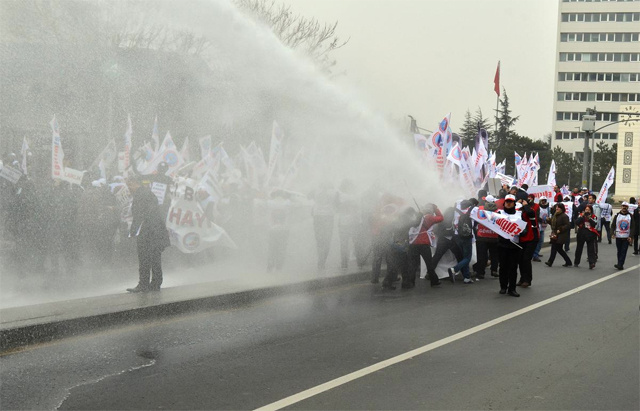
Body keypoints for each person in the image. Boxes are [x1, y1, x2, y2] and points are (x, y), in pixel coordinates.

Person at [127, 178, 170, 292]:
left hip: (149, 231)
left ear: (136, 183)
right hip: (152, 230)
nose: (128, 188)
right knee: (152, 258)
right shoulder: (145, 193)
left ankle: (145, 284)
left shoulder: (142, 194)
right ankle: (153, 283)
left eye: (130, 185)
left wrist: (137, 229)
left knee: (146, 257)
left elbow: (142, 214)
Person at [407, 203, 443, 287]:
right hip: (424, 244)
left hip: (413, 243)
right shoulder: (429, 218)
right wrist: (436, 208)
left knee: (413, 264)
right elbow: (441, 218)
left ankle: (411, 282)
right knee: (429, 264)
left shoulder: (415, 218)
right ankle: (434, 281)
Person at [497, 195, 521, 296]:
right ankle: (503, 287)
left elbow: (525, 227)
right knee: (503, 267)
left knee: (513, 268)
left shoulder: (519, 214)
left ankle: (512, 289)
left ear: (514, 203)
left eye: (511, 202)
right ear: (504, 203)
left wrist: (522, 232)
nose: (508, 203)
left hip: (514, 245)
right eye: (507, 201)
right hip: (502, 245)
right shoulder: (499, 213)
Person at [447, 199, 475, 284]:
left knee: (464, 257)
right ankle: (454, 269)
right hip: (467, 236)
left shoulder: (456, 211)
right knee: (467, 257)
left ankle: (466, 277)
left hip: (457, 236)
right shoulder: (471, 211)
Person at [310, 182, 336, 271]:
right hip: (328, 217)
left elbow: (308, 197)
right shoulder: (333, 193)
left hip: (318, 217)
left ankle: (321, 260)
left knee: (320, 240)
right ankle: (322, 260)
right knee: (326, 240)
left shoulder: (316, 191)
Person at [472, 198, 499, 279]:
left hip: (482, 237)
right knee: (494, 255)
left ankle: (481, 272)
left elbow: (474, 223)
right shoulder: (498, 212)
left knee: (481, 256)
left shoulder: (480, 212)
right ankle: (494, 270)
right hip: (494, 237)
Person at [516, 199, 538, 288]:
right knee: (520, 259)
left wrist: (525, 205)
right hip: (521, 238)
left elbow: (530, 213)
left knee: (526, 259)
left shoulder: (529, 211)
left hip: (531, 237)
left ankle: (527, 280)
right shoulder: (517, 211)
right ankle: (522, 278)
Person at [545, 203, 573, 268]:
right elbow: (553, 224)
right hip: (555, 234)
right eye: (556, 207)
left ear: (562, 209)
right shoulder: (555, 215)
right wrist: (549, 220)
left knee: (557, 248)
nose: (557, 208)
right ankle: (567, 262)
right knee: (556, 248)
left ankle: (551, 261)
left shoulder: (564, 216)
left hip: (561, 235)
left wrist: (560, 229)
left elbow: (568, 225)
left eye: (559, 207)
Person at [573, 205, 599, 269]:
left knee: (591, 249)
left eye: (589, 210)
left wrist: (589, 218)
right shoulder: (581, 215)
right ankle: (576, 262)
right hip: (581, 233)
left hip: (590, 234)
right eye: (586, 210)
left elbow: (595, 224)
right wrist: (582, 216)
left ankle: (591, 263)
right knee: (579, 248)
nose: (587, 211)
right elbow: (576, 222)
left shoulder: (593, 216)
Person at [612, 202, 635, 270]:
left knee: (623, 251)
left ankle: (620, 264)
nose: (624, 207)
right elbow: (613, 225)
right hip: (618, 236)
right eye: (623, 206)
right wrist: (612, 234)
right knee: (619, 251)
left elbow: (632, 227)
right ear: (621, 207)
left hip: (626, 237)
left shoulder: (630, 216)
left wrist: (631, 236)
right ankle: (619, 263)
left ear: (627, 207)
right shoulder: (617, 215)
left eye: (625, 206)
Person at [532, 197, 550, 262]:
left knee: (541, 241)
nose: (543, 202)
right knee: (538, 241)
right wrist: (542, 220)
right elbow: (536, 216)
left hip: (543, 226)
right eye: (542, 201)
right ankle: (535, 255)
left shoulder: (547, 208)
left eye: (544, 201)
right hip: (538, 226)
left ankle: (536, 252)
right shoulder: (538, 207)